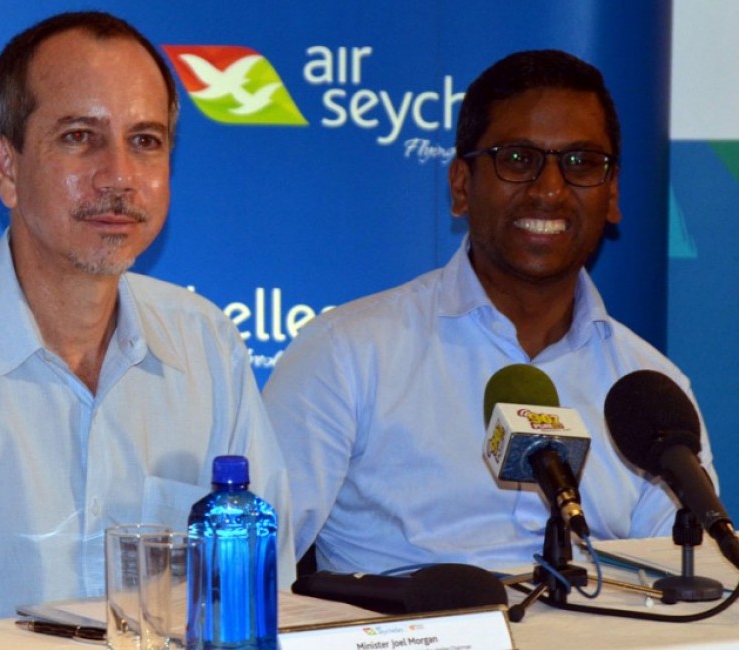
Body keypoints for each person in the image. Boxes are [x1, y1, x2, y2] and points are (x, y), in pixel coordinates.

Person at [0, 10, 294, 629]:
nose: (119, 175)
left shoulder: (207, 346)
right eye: (80, 137)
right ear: (6, 168)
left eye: (145, 141)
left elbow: (264, 595)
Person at [261, 49, 715, 575]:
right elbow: (247, 571)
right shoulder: (347, 355)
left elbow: (687, 587)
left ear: (611, 194)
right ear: (460, 185)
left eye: (581, 163)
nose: (550, 190)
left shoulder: (651, 390)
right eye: (518, 159)